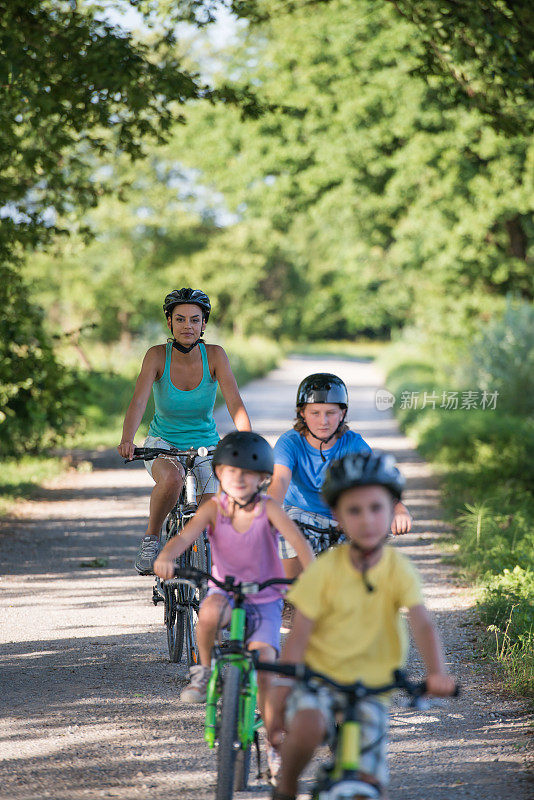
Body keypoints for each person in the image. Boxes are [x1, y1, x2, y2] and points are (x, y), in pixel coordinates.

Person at [265, 451, 456, 800]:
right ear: (337, 517)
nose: (366, 519)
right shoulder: (325, 570)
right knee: (307, 725)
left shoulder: (398, 569)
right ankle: (288, 784)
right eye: (354, 510)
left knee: (367, 781)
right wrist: (280, 690)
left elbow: (423, 623)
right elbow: (300, 633)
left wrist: (437, 673)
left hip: (374, 685)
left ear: (392, 510)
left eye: (376, 508)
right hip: (321, 677)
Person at [153, 431, 314, 719]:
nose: (238, 480)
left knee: (265, 663)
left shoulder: (269, 509)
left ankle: (272, 741)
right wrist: (167, 555)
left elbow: (300, 545)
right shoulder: (215, 508)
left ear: (263, 478)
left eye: (247, 474)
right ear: (218, 473)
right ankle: (204, 673)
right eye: (230, 472)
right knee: (209, 613)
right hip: (225, 590)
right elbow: (184, 537)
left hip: (264, 597)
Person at [117, 288, 251, 574]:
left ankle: (203, 578)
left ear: (204, 324)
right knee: (173, 479)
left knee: (209, 519)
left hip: (205, 445)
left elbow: (234, 402)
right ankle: (151, 541)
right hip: (163, 443)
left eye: (194, 319)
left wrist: (247, 441)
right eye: (180, 319)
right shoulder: (156, 356)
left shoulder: (215, 356)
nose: (187, 326)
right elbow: (139, 401)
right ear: (169, 323)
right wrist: (128, 439)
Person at [268, 373, 412, 577]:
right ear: (302, 413)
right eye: (315, 412)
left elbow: (376, 481)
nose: (323, 421)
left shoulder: (353, 443)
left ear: (343, 413)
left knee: (363, 570)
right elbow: (280, 481)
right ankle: (290, 602)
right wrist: (266, 513)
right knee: (291, 584)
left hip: (343, 517)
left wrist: (398, 509)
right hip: (300, 515)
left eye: (331, 413)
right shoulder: (289, 442)